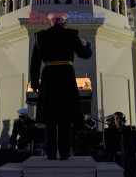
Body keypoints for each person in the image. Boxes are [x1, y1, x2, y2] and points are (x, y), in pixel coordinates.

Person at [30, 12, 92, 160]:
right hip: (66, 76)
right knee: (65, 118)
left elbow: (35, 62)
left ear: (50, 23)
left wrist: (34, 83)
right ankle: (64, 154)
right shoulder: (71, 34)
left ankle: (50, 154)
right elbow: (84, 54)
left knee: (50, 119)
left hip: (49, 76)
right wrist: (88, 46)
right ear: (64, 22)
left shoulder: (41, 36)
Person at [104, 112, 136, 177]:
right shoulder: (109, 131)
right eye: (117, 118)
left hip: (128, 159)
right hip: (115, 158)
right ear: (114, 120)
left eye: (120, 118)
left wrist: (127, 152)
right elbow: (107, 147)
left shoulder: (130, 130)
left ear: (123, 119)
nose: (118, 120)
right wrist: (117, 152)